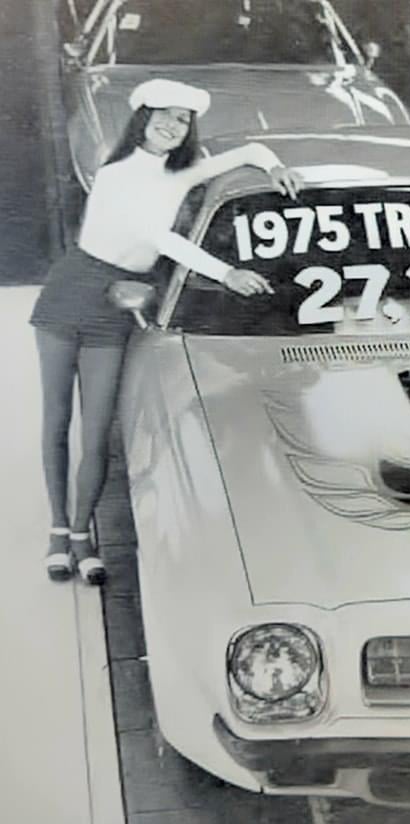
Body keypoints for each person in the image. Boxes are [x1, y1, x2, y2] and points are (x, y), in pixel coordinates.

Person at [30, 78, 302, 585]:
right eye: (164, 115)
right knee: (57, 421)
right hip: (73, 291)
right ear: (143, 116)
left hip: (117, 302)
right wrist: (225, 273)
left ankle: (84, 539)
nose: (172, 127)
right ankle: (58, 530)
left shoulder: (177, 175)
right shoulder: (116, 175)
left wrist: (273, 165)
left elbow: (250, 149)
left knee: (95, 432)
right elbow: (159, 238)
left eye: (183, 120)